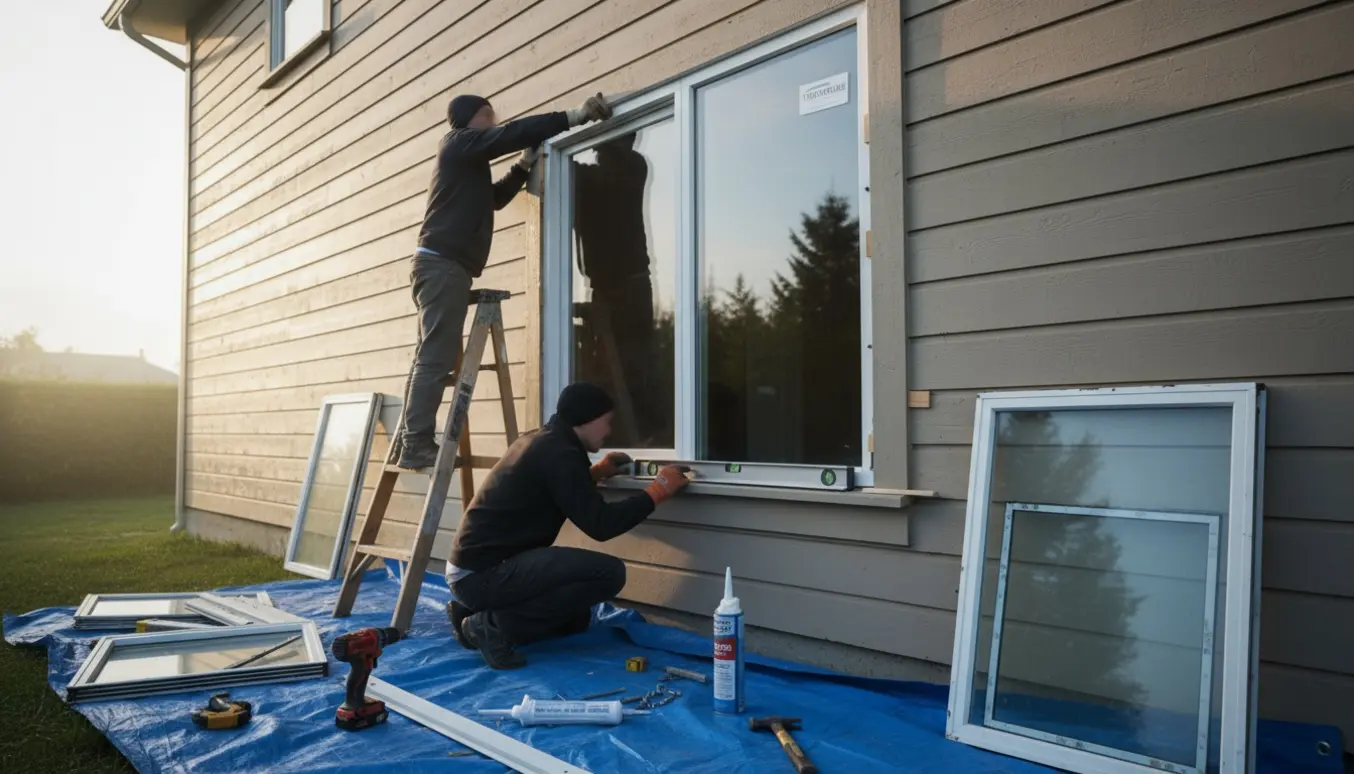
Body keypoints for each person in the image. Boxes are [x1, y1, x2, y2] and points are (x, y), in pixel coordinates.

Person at [389, 92, 615, 470]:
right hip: (443, 266)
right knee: (436, 357)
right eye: (487, 115)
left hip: (441, 266)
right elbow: (509, 134)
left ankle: (410, 440)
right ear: (467, 119)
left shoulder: (467, 165)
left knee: (429, 354)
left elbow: (493, 199)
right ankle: (415, 443)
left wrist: (525, 164)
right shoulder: (458, 143)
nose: (493, 122)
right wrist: (573, 116)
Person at [444, 382, 691, 669]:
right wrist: (657, 492)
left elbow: (552, 485)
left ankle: (471, 612)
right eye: (606, 422)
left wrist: (594, 473)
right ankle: (491, 625)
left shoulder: (541, 440)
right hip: (483, 574)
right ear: (586, 418)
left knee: (575, 620)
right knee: (608, 574)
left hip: (474, 570)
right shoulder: (560, 453)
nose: (609, 431)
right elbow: (601, 524)